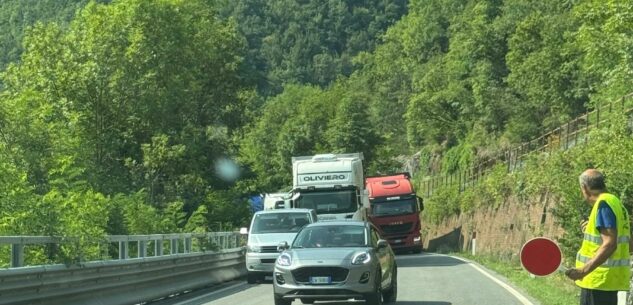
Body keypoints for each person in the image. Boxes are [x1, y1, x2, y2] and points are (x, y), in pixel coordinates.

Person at [565, 169, 630, 305]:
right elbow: (628, 243)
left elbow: (610, 244)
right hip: (610, 282)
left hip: (597, 281)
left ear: (585, 188)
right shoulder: (617, 203)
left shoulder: (603, 205)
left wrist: (583, 270)